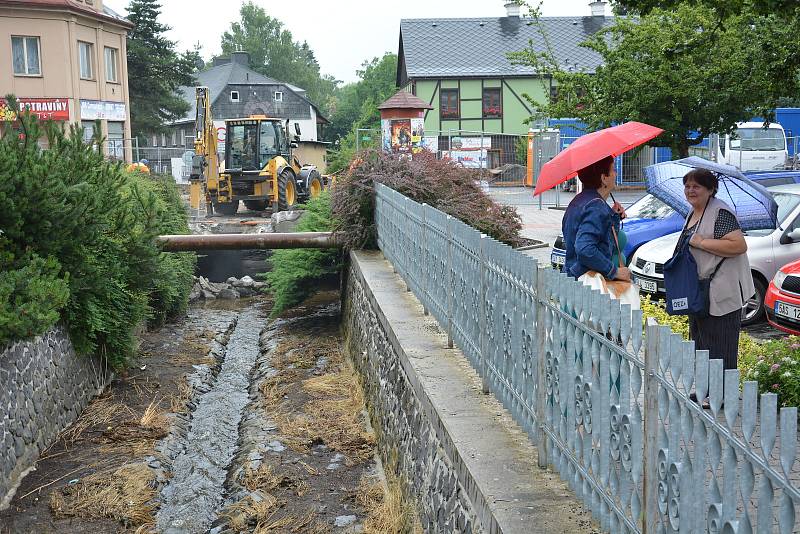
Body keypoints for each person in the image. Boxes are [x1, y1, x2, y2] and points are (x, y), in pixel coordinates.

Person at [676, 168, 754, 371]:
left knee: (721, 347)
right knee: (701, 344)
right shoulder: (693, 211)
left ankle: (720, 396)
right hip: (699, 290)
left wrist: (702, 242)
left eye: (696, 186)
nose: (690, 190)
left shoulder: (721, 212)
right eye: (687, 186)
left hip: (722, 291)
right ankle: (706, 390)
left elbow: (738, 246)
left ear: (710, 189)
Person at [562, 156, 630, 283]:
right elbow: (585, 249)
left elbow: (603, 240)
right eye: (613, 170)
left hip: (573, 281)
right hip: (589, 286)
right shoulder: (595, 207)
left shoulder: (578, 201)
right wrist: (614, 271)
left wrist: (613, 215)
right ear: (604, 178)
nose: (616, 174)